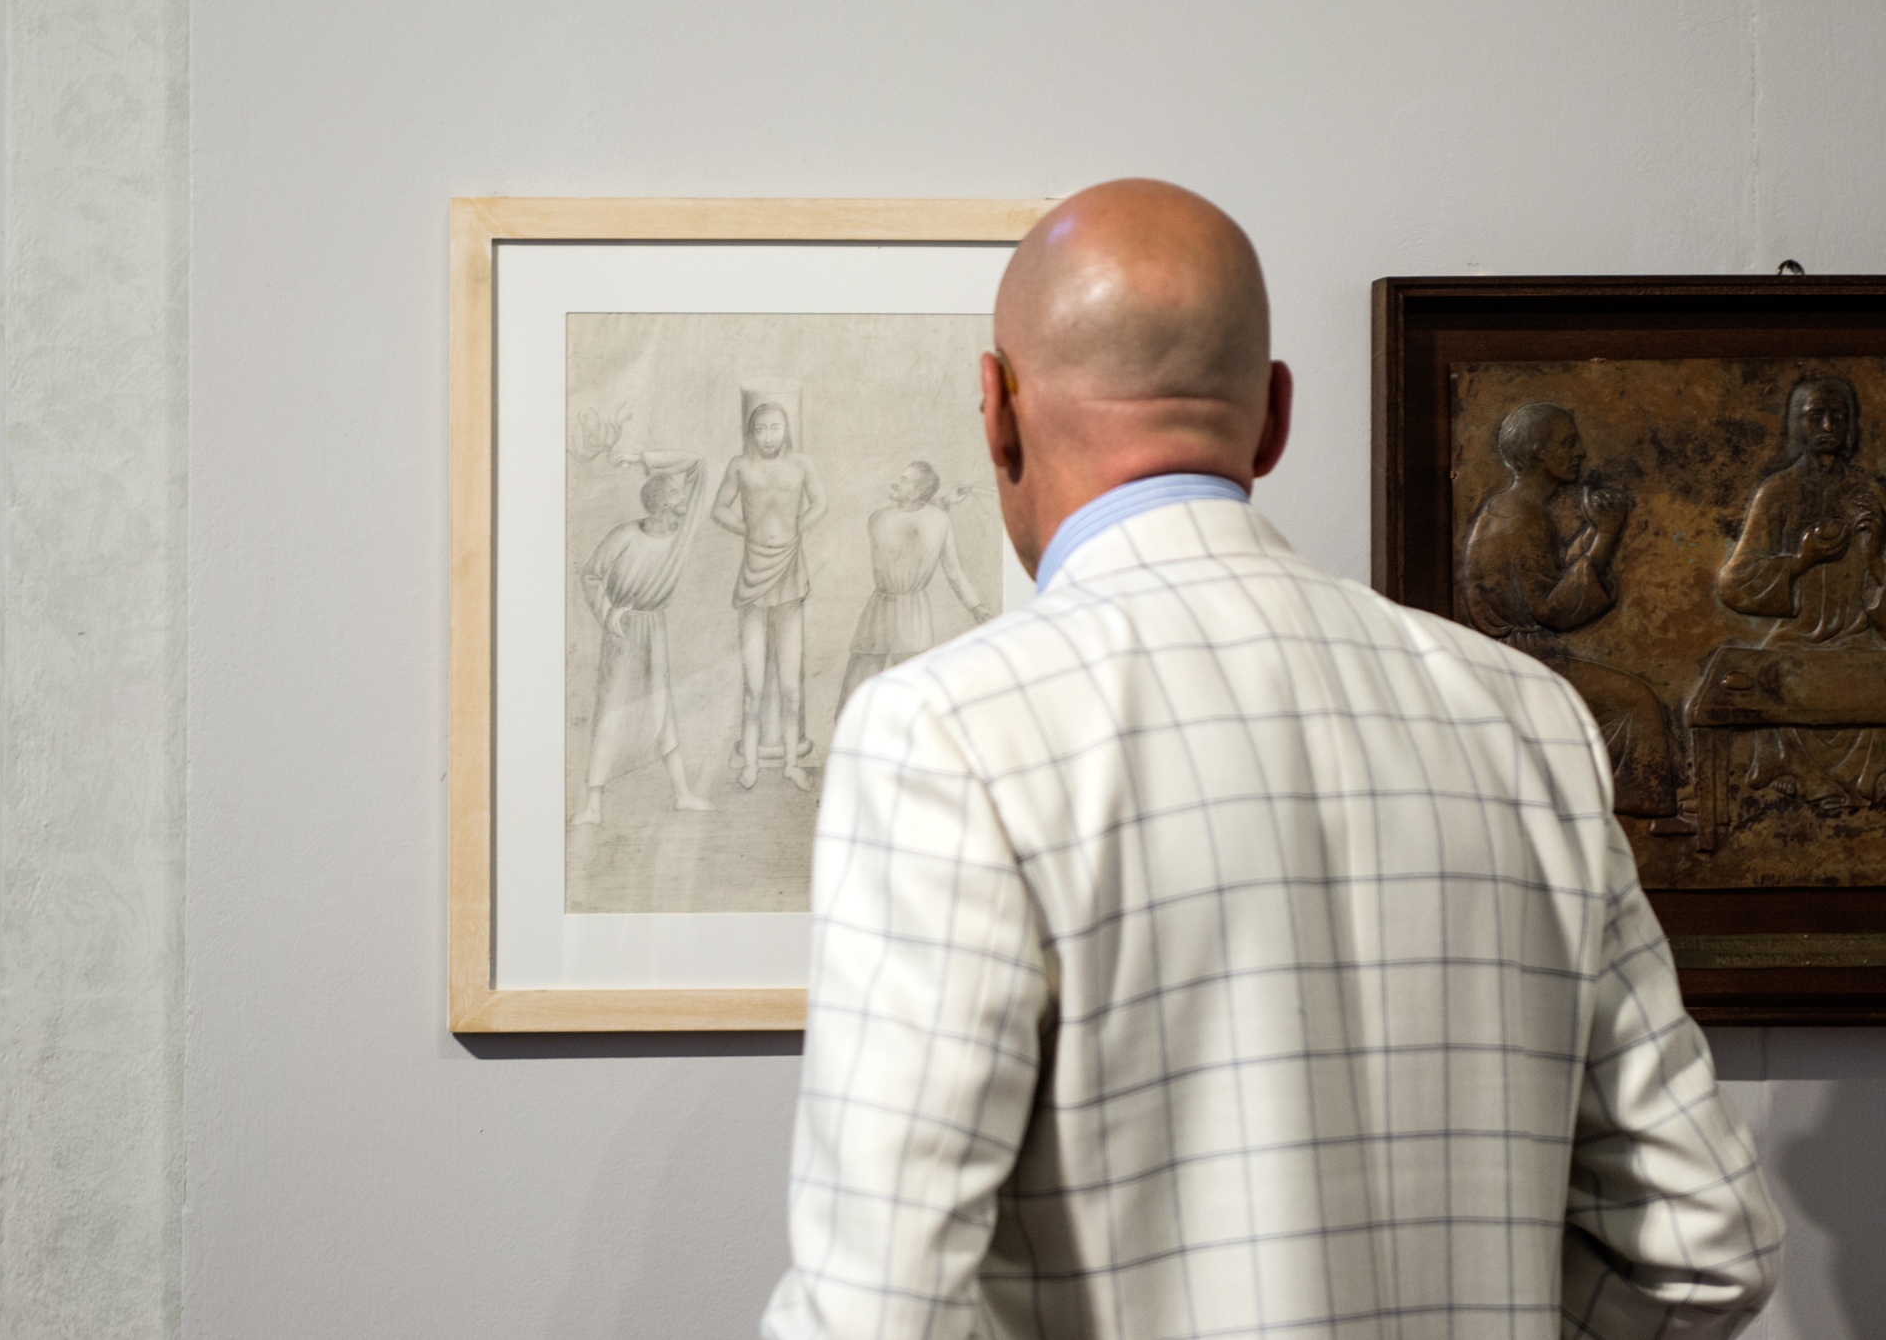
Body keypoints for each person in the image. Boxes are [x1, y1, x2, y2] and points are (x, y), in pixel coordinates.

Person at [763, 180, 1781, 1340]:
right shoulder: (1523, 716)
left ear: (993, 409)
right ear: (1272, 417)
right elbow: (1706, 1246)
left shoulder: (947, 731)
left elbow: (880, 1313)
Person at [1458, 402, 1687, 828]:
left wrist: (1594, 534)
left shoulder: (1515, 508)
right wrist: (1607, 537)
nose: (1580, 451)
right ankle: (1642, 807)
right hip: (1523, 663)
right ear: (1539, 452)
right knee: (1637, 702)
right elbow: (1552, 609)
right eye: (1568, 443)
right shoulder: (1523, 517)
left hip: (1519, 654)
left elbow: (1548, 575)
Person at [1717, 374, 1886, 806]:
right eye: (1816, 416)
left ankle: (1868, 777)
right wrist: (1800, 561)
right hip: (1797, 636)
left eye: (1838, 417)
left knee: (1876, 681)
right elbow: (1733, 583)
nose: (1828, 427)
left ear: (1851, 425)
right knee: (1774, 677)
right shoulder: (1777, 493)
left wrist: (1872, 557)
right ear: (1797, 423)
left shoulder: (1870, 494)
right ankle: (1794, 769)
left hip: (1858, 636)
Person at [568, 450, 713, 825]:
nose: (683, 500)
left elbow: (697, 464)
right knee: (611, 712)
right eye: (676, 496)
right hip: (622, 629)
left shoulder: (682, 534)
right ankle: (593, 805)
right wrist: (608, 614)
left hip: (654, 627)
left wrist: (641, 457)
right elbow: (590, 575)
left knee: (662, 708)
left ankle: (682, 794)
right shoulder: (625, 536)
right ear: (662, 505)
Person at [712, 401, 827, 792]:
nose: (768, 436)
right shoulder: (740, 466)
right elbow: (719, 509)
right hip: (754, 573)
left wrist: (795, 529)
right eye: (760, 429)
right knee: (754, 688)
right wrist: (749, 530)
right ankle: (751, 764)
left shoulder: (802, 464)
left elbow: (821, 503)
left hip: (790, 572)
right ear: (751, 432)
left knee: (792, 687)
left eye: (775, 427)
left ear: (786, 429)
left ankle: (792, 764)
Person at [834, 460, 992, 715]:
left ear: (917, 492)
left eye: (903, 480)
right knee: (854, 700)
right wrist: (944, 502)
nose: (895, 482)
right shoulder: (889, 519)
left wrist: (976, 607)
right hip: (880, 611)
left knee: (911, 703)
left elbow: (954, 572)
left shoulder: (889, 518)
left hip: (912, 615)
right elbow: (914, 518)